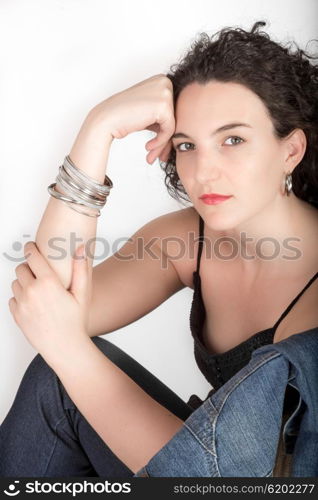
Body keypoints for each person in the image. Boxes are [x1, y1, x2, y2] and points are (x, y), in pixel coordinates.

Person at [1, 20, 317, 477]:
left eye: (233, 139)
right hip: (196, 461)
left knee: (68, 361)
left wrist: (69, 347)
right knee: (55, 380)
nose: (204, 171)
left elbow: (222, 479)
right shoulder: (191, 239)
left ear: (291, 151)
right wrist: (98, 129)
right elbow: (48, 299)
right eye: (187, 145)